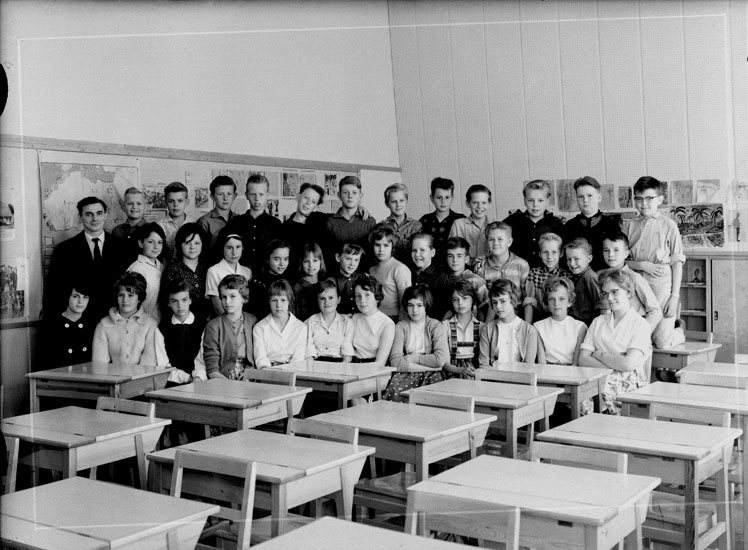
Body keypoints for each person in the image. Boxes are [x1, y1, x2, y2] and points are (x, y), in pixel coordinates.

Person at [44, 196, 130, 321]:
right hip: (79, 322)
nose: (95, 219)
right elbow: (54, 292)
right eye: (89, 214)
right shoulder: (64, 250)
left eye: (99, 213)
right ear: (80, 217)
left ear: (105, 215)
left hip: (115, 320)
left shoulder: (123, 248)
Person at [579, 269, 652, 414]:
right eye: (605, 294)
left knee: (599, 396)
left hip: (628, 383)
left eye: (615, 292)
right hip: (599, 377)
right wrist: (614, 364)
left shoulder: (640, 324)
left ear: (628, 292)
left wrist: (599, 355)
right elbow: (583, 359)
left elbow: (628, 364)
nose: (609, 298)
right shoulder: (598, 321)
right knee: (581, 397)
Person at [624, 176, 685, 347]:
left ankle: (678, 330)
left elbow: (677, 262)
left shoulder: (669, 225)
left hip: (660, 285)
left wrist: (674, 297)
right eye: (639, 199)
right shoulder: (629, 225)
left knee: (660, 341)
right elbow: (622, 260)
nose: (643, 204)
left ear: (660, 199)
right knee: (636, 336)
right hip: (635, 283)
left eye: (649, 198)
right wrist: (642, 265)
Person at [601, 231, 685, 348]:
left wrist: (641, 333)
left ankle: (679, 330)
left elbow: (655, 311)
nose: (610, 255)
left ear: (626, 254)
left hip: (632, 329)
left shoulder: (635, 278)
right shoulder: (601, 277)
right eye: (606, 250)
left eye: (616, 250)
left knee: (661, 341)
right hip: (614, 329)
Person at [91, 272, 170, 369]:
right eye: (121, 295)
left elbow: (149, 363)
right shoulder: (103, 325)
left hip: (143, 377)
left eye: (130, 295)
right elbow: (99, 366)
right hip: (111, 377)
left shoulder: (150, 324)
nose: (125, 300)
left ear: (139, 298)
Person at [385, 284, 449, 401]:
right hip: (406, 373)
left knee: (431, 398)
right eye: (410, 305)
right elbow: (395, 362)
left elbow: (440, 359)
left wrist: (413, 358)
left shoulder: (435, 326)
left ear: (426, 306)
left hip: (432, 375)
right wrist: (432, 367)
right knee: (395, 392)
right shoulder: (401, 326)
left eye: (419, 305)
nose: (415, 310)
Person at [223, 174, 282, 275]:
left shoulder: (276, 224)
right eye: (252, 194)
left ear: (267, 195)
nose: (257, 198)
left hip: (267, 277)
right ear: (246, 195)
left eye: (261, 194)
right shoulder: (235, 223)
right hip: (239, 276)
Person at [201, 274, 257, 380]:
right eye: (223, 297)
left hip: (251, 377)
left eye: (232, 296)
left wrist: (251, 375)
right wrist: (230, 385)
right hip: (224, 380)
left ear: (243, 298)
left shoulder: (253, 321)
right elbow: (212, 370)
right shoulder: (213, 327)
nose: (227, 301)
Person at [563, 176, 621, 271]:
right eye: (581, 196)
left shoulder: (611, 225)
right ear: (577, 199)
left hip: (605, 275)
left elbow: (617, 256)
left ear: (599, 197)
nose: (585, 200)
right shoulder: (569, 226)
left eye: (589, 196)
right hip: (576, 276)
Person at [503, 180, 564, 268]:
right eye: (530, 200)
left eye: (540, 200)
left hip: (546, 273)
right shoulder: (512, 222)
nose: (535, 205)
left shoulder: (556, 224)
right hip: (517, 271)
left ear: (547, 201)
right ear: (525, 201)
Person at [478, 279, 538, 367]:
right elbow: (483, 364)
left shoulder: (529, 330)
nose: (498, 306)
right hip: (493, 375)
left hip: (520, 375)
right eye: (494, 302)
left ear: (513, 300)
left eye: (502, 301)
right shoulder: (487, 330)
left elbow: (529, 366)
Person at [159, 223, 210, 323]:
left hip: (207, 322)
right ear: (180, 245)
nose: (192, 247)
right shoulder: (172, 270)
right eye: (187, 243)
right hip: (181, 323)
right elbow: (165, 302)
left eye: (197, 243)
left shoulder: (208, 268)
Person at [344, 274, 396, 366]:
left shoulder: (387, 324)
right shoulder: (354, 318)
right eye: (358, 296)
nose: (362, 300)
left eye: (367, 295)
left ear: (377, 298)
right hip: (353, 365)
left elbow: (380, 363)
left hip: (374, 368)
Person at [253, 279, 307, 368]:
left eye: (283, 300)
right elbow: (261, 358)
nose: (278, 305)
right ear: (269, 301)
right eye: (274, 300)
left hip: (293, 371)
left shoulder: (301, 327)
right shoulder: (260, 327)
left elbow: (298, 358)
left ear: (289, 301)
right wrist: (270, 373)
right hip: (268, 371)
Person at [534, 277, 587, 366]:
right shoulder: (538, 327)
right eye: (552, 299)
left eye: (561, 299)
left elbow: (576, 363)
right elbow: (541, 363)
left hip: (572, 371)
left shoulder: (580, 327)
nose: (556, 303)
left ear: (570, 301)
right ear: (547, 302)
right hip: (547, 371)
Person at [158, 280, 203, 385]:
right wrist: (187, 378)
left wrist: (197, 378)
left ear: (190, 300)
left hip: (200, 381)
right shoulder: (161, 329)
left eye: (184, 300)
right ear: (168, 303)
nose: (180, 305)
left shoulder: (202, 326)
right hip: (171, 382)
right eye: (174, 301)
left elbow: (202, 361)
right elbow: (162, 365)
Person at [326, 175, 377, 267]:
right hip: (338, 273)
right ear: (339, 195)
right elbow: (329, 254)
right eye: (345, 192)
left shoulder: (369, 222)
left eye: (354, 193)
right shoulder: (331, 222)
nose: (350, 196)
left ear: (360, 196)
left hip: (364, 272)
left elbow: (373, 254)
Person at [473, 222, 530, 302]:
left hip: (518, 309)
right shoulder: (481, 269)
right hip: (494, 309)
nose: (495, 243)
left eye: (500, 239)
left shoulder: (522, 265)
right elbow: (484, 301)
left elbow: (528, 298)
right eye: (491, 239)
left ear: (509, 242)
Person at [523, 232, 572, 323]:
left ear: (561, 253)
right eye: (545, 252)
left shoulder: (566, 276)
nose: (549, 257)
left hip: (560, 321)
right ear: (540, 253)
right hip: (537, 320)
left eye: (554, 252)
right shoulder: (534, 273)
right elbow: (529, 302)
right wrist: (528, 326)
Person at [46, 280, 96, 367]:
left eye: (85, 297)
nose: (80, 302)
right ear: (67, 296)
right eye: (75, 296)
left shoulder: (92, 325)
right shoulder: (53, 325)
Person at [368, 222, 412, 322]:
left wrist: (400, 326)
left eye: (386, 245)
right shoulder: (372, 270)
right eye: (377, 245)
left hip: (393, 318)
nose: (381, 250)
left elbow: (405, 305)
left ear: (392, 246)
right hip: (375, 318)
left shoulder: (399, 269)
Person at [419, 177, 465, 266]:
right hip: (430, 267)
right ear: (432, 198)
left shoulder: (460, 220)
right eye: (439, 197)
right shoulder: (425, 220)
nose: (443, 201)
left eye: (447, 197)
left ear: (452, 198)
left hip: (454, 266)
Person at [443, 237, 490, 321]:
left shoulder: (475, 280)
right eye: (450, 256)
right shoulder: (443, 279)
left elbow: (486, 307)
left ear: (467, 259)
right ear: (446, 258)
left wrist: (483, 326)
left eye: (459, 256)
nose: (455, 260)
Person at [305, 280, 354, 362]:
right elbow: (308, 353)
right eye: (322, 298)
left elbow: (347, 354)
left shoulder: (346, 322)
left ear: (338, 299)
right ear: (317, 300)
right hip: (315, 364)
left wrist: (341, 368)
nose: (327, 302)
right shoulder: (310, 322)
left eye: (331, 298)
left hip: (339, 364)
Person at [442, 280, 482, 379]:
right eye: (455, 299)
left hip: (475, 374)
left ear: (473, 300)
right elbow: (443, 361)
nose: (460, 303)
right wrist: (459, 370)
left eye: (465, 298)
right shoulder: (445, 326)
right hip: (451, 373)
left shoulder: (482, 327)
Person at [206, 233, 253, 316]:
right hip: (224, 319)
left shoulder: (247, 271)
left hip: (244, 318)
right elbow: (217, 307)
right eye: (229, 248)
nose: (234, 252)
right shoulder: (214, 271)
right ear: (222, 248)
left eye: (238, 247)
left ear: (243, 248)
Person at [126, 222, 166, 322]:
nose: (156, 247)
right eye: (151, 242)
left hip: (160, 322)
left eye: (159, 242)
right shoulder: (136, 269)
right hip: (140, 323)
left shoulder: (162, 267)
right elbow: (128, 303)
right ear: (141, 243)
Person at [410, 232, 452, 320]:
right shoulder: (408, 274)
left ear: (432, 252)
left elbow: (450, 308)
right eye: (414, 250)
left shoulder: (441, 278)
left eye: (422, 250)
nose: (417, 254)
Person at [564, 237, 603, 326]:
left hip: (587, 325)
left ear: (589, 258)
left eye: (576, 259)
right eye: (569, 259)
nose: (572, 263)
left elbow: (601, 306)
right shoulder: (573, 277)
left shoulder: (590, 278)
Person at [249, 239, 291, 319]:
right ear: (267, 259)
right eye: (276, 259)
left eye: (286, 259)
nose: (282, 263)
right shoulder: (259, 284)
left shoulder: (289, 281)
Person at [196, 175, 237, 256]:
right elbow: (200, 252)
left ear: (234, 196)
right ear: (212, 197)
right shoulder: (204, 222)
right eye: (220, 194)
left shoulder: (239, 219)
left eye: (229, 194)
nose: (225, 198)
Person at [449, 184, 492, 259]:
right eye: (475, 203)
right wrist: (471, 261)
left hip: (489, 265)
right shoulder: (458, 225)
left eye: (484, 203)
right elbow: (453, 252)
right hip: (465, 265)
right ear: (468, 203)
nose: (479, 206)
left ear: (489, 204)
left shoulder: (495, 225)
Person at [382, 183, 422, 264]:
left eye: (401, 200)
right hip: (389, 268)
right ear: (387, 203)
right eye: (393, 201)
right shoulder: (382, 226)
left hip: (411, 268)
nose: (398, 205)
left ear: (407, 201)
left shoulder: (416, 226)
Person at [157, 181, 191, 262]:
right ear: (165, 202)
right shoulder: (159, 226)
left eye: (180, 201)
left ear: (187, 202)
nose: (176, 205)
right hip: (165, 268)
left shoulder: (195, 224)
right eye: (171, 201)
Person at [293, 242, 326, 321]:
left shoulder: (325, 284)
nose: (311, 265)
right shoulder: (297, 288)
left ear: (321, 262)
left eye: (315, 260)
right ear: (301, 263)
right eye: (306, 261)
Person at [330, 243, 365, 316]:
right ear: (338, 257)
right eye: (348, 259)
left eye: (356, 260)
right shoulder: (331, 281)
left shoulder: (363, 278)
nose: (352, 264)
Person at [112, 187, 147, 258]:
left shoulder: (152, 229)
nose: (134, 207)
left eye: (139, 203)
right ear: (123, 207)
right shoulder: (117, 231)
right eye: (130, 203)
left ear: (145, 207)